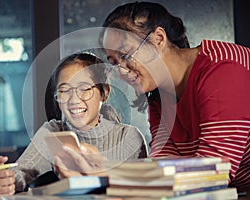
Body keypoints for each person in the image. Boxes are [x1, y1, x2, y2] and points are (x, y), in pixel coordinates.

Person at [57, 1, 250, 193]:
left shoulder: (223, 69)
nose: (122, 70)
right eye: (114, 62)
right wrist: (103, 167)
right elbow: (162, 164)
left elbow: (215, 170)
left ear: (158, 38)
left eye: (125, 55)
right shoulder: (160, 97)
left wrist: (109, 173)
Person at [0, 52, 148, 196]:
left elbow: (146, 191)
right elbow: (21, 172)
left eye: (84, 89)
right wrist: (5, 181)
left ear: (104, 93)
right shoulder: (53, 131)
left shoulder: (129, 137)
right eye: (64, 91)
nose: (73, 100)